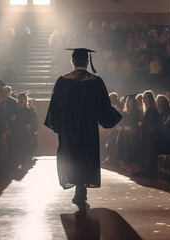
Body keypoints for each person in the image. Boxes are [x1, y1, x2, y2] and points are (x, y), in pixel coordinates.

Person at [44, 48, 122, 207]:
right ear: (87, 62)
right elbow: (104, 106)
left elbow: (55, 107)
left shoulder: (62, 81)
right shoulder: (95, 81)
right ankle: (81, 189)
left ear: (72, 62)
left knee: (71, 156)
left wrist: (58, 125)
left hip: (68, 128)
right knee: (86, 156)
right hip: (88, 128)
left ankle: (78, 188)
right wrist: (111, 118)